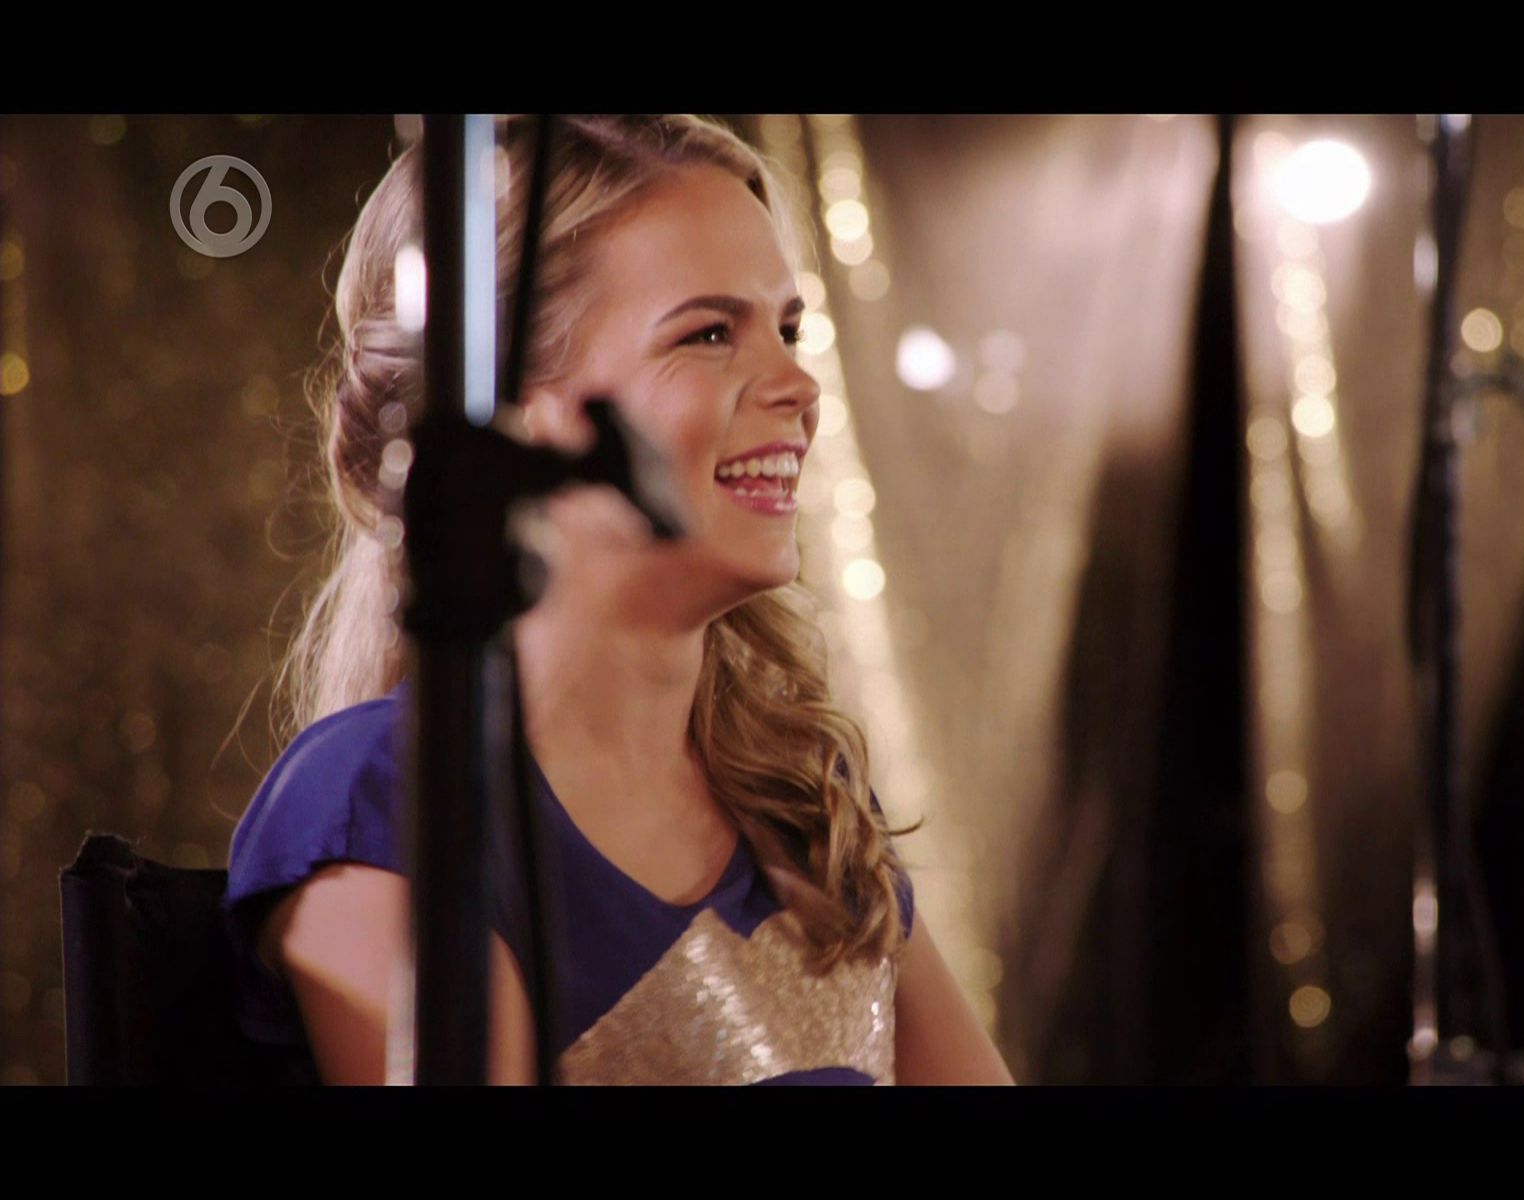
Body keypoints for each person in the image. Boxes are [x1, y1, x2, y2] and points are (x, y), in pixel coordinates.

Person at [221, 115, 1015, 1086]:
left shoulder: (803, 798)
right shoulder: (384, 803)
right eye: (710, 334)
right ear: (505, 412)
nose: (799, 386)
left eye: (788, 330)